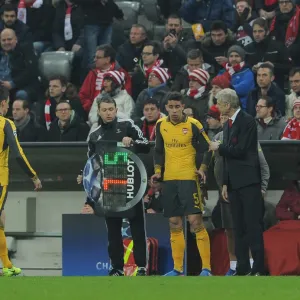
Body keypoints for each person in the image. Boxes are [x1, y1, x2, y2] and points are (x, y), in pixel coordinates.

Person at [78, 96, 149, 276]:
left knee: (137, 228)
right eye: (105, 110)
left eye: (111, 109)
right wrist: (83, 178)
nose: (109, 113)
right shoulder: (95, 135)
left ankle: (141, 267)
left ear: (116, 110)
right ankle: (116, 267)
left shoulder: (128, 126)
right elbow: (92, 164)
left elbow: (146, 144)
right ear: (99, 112)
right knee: (113, 231)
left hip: (131, 183)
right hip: (110, 185)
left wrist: (132, 142)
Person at [152, 91, 212, 276]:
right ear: (166, 108)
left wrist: (202, 169)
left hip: (188, 178)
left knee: (195, 221)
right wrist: (157, 172)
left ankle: (206, 269)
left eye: (177, 107)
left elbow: (209, 149)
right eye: (170, 107)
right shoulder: (161, 124)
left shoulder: (193, 125)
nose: (174, 110)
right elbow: (159, 151)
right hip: (169, 180)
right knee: (174, 222)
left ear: (183, 106)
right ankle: (177, 269)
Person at [210, 88, 265, 276]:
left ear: (227, 105)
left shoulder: (247, 121)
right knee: (238, 226)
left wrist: (219, 147)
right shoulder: (228, 124)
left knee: (252, 225)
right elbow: (227, 159)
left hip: (249, 182)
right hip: (233, 184)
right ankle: (242, 267)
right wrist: (225, 182)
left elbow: (240, 150)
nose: (216, 106)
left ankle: (259, 268)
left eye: (218, 103)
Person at [0, 86, 42, 276]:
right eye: (8, 104)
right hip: (0, 179)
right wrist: (33, 175)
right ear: (3, 104)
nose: (8, 108)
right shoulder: (6, 124)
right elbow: (18, 153)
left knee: (1, 219)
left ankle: (7, 266)